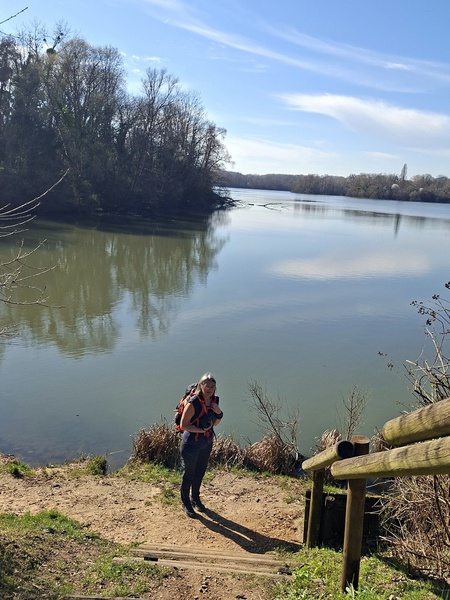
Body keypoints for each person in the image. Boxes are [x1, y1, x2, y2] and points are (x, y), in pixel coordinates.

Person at [179, 372, 223, 518]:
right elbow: (184, 425)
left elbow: (215, 423)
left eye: (212, 386)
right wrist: (201, 430)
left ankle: (195, 498)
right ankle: (185, 502)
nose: (209, 389)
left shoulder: (214, 401)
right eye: (206, 385)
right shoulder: (193, 403)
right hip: (191, 444)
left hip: (206, 443)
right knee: (189, 474)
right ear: (200, 386)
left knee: (200, 472)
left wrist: (219, 413)